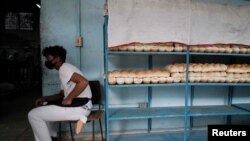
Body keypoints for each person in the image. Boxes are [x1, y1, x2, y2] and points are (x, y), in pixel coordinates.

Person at [28, 45, 92, 141]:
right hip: (83, 106)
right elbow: (61, 95)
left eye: (48, 58)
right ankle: (52, 138)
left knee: (33, 115)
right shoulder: (65, 69)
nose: (47, 61)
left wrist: (69, 98)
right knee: (44, 109)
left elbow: (83, 82)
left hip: (80, 107)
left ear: (57, 58)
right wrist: (45, 98)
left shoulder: (64, 68)